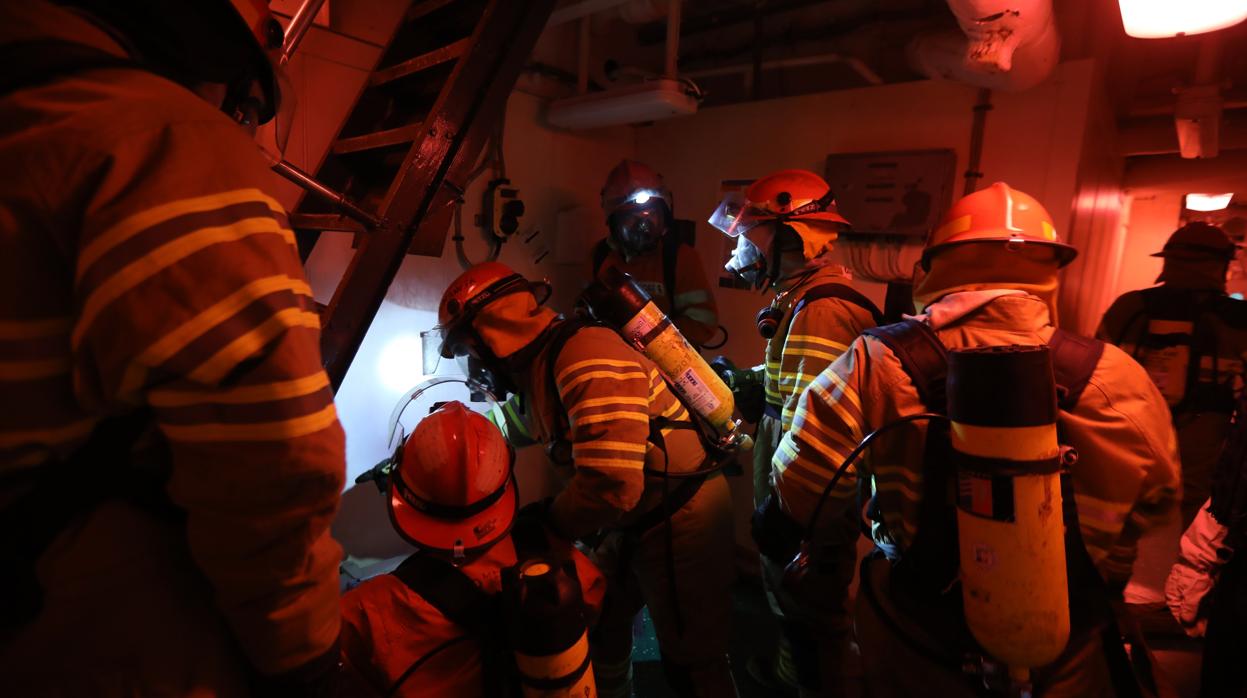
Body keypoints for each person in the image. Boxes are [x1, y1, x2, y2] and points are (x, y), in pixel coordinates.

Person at [0, 1, 346, 695]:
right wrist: (303, 658)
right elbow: (274, 455)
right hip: (113, 651)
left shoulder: (30, 113)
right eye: (246, 113)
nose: (242, 135)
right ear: (217, 59)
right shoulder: (163, 137)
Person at [765, 182, 1180, 696]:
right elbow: (1158, 502)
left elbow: (802, 491)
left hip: (915, 637)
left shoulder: (874, 361)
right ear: (1049, 269)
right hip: (1067, 650)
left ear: (936, 266)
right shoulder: (1115, 376)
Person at [436, 261, 738, 697]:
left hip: (680, 517)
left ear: (494, 331)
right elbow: (516, 424)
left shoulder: (584, 355)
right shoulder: (544, 366)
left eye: (469, 349)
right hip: (633, 519)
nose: (473, 363)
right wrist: (450, 441)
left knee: (692, 659)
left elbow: (612, 487)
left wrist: (548, 524)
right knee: (605, 626)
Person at [708, 169, 881, 696]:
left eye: (751, 239)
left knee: (812, 609)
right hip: (793, 476)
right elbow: (797, 387)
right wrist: (746, 381)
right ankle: (789, 678)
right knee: (791, 598)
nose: (744, 253)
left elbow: (817, 431)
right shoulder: (802, 299)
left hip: (809, 493)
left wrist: (787, 514)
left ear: (788, 239)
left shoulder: (822, 310)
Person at [339, 401, 606, 697]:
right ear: (506, 485)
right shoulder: (560, 566)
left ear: (398, 490)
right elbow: (594, 607)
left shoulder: (366, 615)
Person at [1098, 221, 1247, 526]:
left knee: (1123, 493)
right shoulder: (1238, 320)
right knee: (1195, 506)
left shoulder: (1129, 307)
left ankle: (1109, 561)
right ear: (1220, 266)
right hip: (1205, 427)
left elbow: (1095, 369)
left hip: (1131, 420)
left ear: (1168, 260)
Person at [591, 160, 721, 347]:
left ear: (664, 216)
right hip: (613, 361)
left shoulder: (680, 258)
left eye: (651, 214)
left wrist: (644, 339)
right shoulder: (600, 257)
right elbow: (585, 317)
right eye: (630, 217)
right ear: (614, 221)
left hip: (666, 367)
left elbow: (703, 324)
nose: (643, 225)